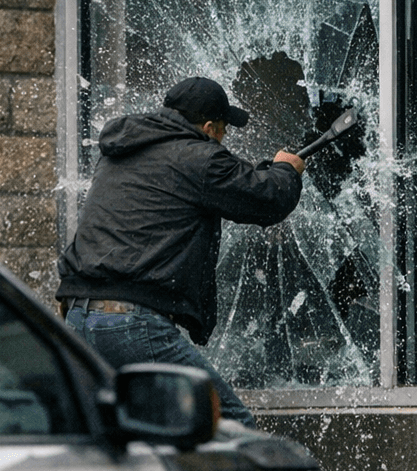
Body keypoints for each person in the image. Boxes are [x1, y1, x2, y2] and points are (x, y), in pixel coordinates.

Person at [57, 76, 306, 428]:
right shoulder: (198, 156)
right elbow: (266, 199)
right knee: (228, 426)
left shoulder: (120, 153)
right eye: (223, 130)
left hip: (78, 319)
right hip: (130, 323)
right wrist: (285, 170)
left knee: (143, 436)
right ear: (208, 127)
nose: (223, 140)